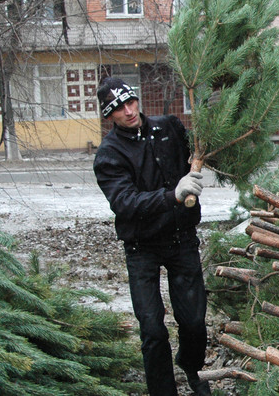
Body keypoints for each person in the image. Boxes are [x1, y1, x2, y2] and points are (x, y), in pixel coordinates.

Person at [92, 77, 211, 396]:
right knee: (153, 329)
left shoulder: (169, 126)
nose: (129, 111)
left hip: (181, 239)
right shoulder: (109, 154)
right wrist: (172, 195)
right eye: (119, 108)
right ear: (109, 115)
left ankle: (192, 367)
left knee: (194, 322)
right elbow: (125, 202)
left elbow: (200, 148)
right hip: (141, 247)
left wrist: (210, 130)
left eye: (131, 102)